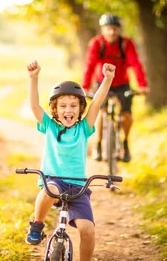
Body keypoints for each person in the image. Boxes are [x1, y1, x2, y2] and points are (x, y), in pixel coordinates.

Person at [25, 60, 115, 261]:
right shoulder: (49, 126)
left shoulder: (83, 128)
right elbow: (33, 105)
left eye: (74, 105)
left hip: (78, 187)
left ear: (81, 108)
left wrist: (107, 79)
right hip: (54, 180)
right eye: (63, 106)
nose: (69, 110)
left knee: (88, 230)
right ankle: (37, 225)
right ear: (55, 110)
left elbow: (97, 103)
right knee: (50, 190)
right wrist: (33, 78)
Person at [82, 14, 149, 162]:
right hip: (102, 83)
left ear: (119, 30)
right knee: (101, 111)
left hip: (122, 84)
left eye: (115, 29)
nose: (112, 32)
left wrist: (142, 85)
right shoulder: (97, 44)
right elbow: (90, 65)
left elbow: (136, 64)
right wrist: (85, 86)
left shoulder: (126, 44)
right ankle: (98, 145)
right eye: (108, 29)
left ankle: (125, 144)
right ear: (103, 29)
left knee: (126, 115)